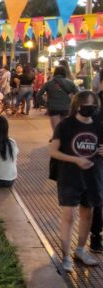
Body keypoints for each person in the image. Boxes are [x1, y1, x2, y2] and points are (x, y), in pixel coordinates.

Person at [49, 91, 102, 273]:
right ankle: (65, 256)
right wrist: (76, 160)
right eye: (87, 106)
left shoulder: (99, 125)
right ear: (77, 106)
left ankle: (80, 250)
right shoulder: (65, 125)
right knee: (69, 216)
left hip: (93, 176)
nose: (90, 109)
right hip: (69, 177)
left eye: (93, 106)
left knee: (88, 214)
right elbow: (54, 151)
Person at [36, 66, 78, 130]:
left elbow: (38, 95)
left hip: (53, 108)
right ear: (65, 73)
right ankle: (64, 139)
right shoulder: (70, 83)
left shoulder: (48, 83)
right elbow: (79, 94)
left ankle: (56, 138)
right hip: (66, 107)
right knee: (65, 128)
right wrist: (73, 104)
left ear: (55, 72)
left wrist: (45, 104)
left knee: (56, 129)